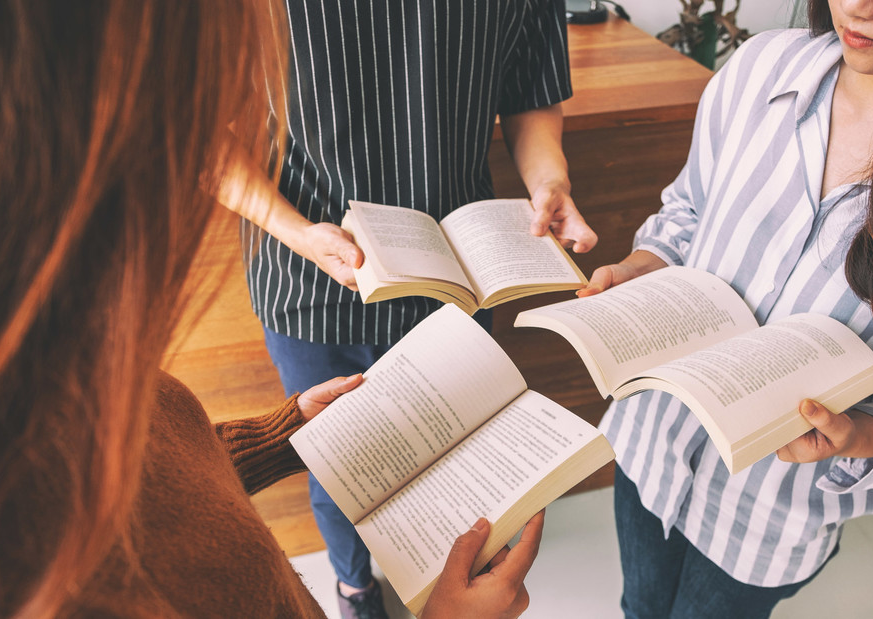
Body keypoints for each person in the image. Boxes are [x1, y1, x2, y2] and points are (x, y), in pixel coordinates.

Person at [0, 2, 544, 617]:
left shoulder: (56, 376)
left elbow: (155, 486)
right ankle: (357, 587)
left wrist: (281, 436)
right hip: (309, 286)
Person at [578, 0, 873, 617]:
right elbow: (688, 209)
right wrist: (645, 265)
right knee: (641, 605)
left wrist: (866, 434)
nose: (857, 6)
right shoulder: (757, 71)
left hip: (768, 513)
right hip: (650, 442)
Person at [219, 2, 598, 617]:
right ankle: (354, 585)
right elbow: (194, 130)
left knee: (457, 451)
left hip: (458, 268)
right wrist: (293, 231)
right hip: (310, 273)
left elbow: (530, 92)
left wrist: (549, 180)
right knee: (333, 460)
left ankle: (432, 583)